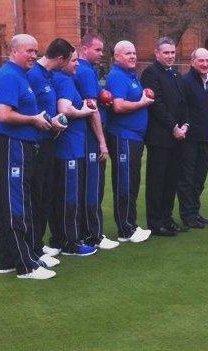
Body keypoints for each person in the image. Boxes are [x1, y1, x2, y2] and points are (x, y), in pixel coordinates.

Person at [0, 34, 55, 279]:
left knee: (14, 203)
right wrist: (33, 120)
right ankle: (25, 266)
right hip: (11, 146)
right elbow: (4, 115)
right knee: (16, 205)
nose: (33, 56)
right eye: (28, 51)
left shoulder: (21, 76)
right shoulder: (9, 76)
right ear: (14, 51)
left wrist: (46, 121)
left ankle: (8, 260)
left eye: (36, 51)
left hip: (21, 146)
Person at [26, 38, 72, 263]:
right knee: (37, 194)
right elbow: (29, 108)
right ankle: (33, 246)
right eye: (69, 59)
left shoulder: (49, 76)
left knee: (45, 194)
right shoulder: (34, 74)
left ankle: (38, 243)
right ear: (61, 59)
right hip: (37, 143)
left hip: (49, 141)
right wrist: (48, 121)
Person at [74, 33, 119, 249]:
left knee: (89, 185)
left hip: (85, 138)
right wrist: (102, 141)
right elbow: (92, 111)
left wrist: (104, 94)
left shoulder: (87, 70)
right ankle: (94, 235)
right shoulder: (84, 71)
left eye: (102, 50)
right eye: (97, 50)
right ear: (84, 48)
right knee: (93, 186)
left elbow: (96, 96)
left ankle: (85, 232)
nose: (101, 54)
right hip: (89, 139)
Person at [105, 40, 154, 242]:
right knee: (125, 182)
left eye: (134, 52)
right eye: (128, 53)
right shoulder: (117, 76)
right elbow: (118, 106)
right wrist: (142, 102)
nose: (133, 56)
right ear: (117, 57)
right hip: (123, 136)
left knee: (132, 181)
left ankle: (130, 225)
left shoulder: (130, 75)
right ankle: (126, 229)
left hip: (134, 137)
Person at [52, 51, 99, 255]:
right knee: (70, 196)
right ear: (61, 61)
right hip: (68, 147)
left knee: (68, 194)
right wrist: (85, 112)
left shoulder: (67, 78)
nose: (77, 64)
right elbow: (65, 109)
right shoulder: (62, 80)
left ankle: (62, 239)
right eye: (73, 60)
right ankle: (70, 243)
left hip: (74, 145)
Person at [141, 37, 189, 236]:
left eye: (172, 53)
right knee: (157, 181)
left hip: (178, 136)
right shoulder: (151, 73)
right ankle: (155, 222)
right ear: (157, 53)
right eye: (166, 53)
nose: (170, 56)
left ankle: (167, 218)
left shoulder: (176, 74)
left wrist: (185, 124)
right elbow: (157, 105)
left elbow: (184, 103)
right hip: (160, 137)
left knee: (172, 180)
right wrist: (173, 127)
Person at [178, 48, 208, 228]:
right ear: (193, 61)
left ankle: (195, 211)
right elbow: (182, 109)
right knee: (187, 178)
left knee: (199, 179)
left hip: (206, 138)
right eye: (201, 60)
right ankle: (188, 216)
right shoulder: (185, 81)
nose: (205, 64)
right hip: (189, 140)